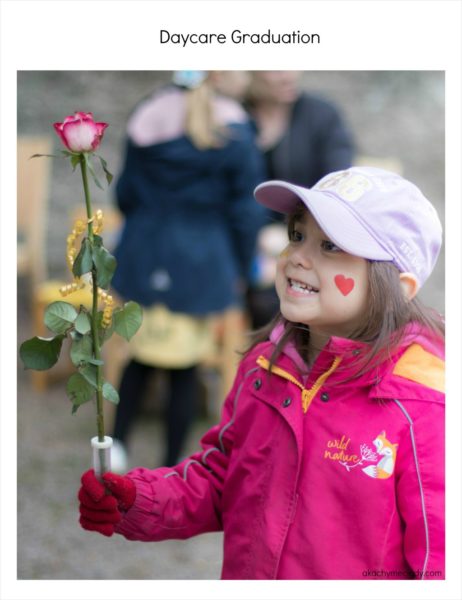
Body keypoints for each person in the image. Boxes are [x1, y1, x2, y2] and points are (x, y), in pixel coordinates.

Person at [78, 166, 444, 580]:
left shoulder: (424, 405)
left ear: (398, 285)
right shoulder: (264, 368)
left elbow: (440, 561)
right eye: (297, 235)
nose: (298, 258)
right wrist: (136, 499)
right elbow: (223, 479)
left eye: (330, 245)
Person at [110, 70, 265, 469]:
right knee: (185, 370)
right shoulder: (235, 126)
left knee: (139, 358)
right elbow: (246, 210)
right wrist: (241, 267)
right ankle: (170, 465)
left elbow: (125, 194)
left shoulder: (147, 113)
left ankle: (114, 448)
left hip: (145, 253)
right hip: (202, 261)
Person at [245, 71, 355, 328]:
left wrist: (289, 236)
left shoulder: (322, 116)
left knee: (278, 297)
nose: (289, 74)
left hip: (303, 237)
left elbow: (336, 188)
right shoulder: (229, 116)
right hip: (241, 240)